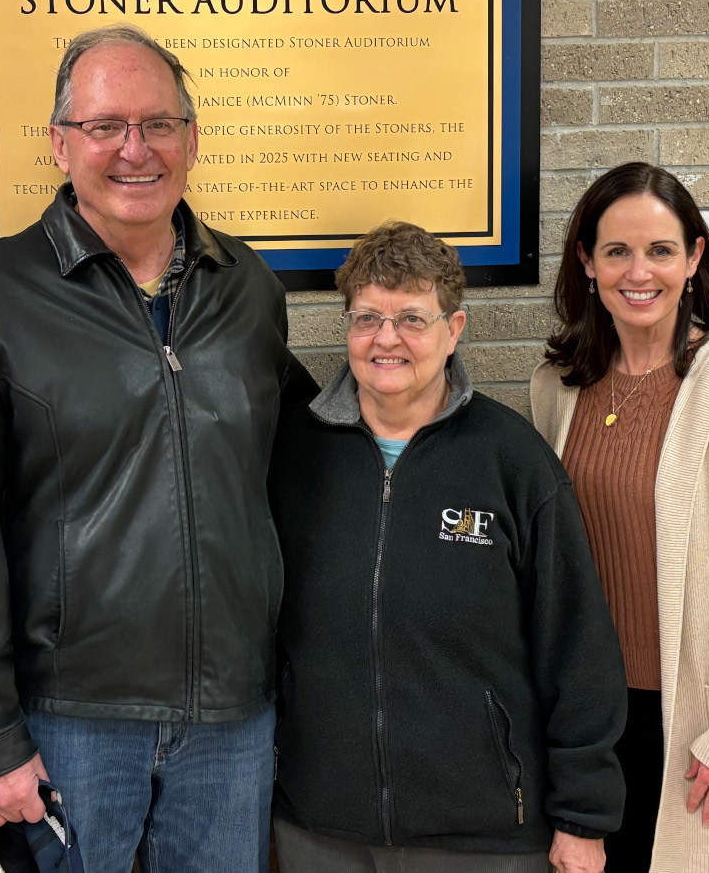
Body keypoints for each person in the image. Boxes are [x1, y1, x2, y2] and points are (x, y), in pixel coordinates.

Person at [0, 23, 309, 873]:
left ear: (192, 139)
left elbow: (293, 474)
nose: (136, 149)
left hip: (233, 720)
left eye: (159, 124)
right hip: (67, 721)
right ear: (60, 143)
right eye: (104, 126)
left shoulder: (247, 289)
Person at [269, 222, 628, 873]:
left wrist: (583, 816)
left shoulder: (512, 464)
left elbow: (578, 651)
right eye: (367, 317)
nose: (386, 339)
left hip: (484, 835)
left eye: (411, 317)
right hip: (318, 829)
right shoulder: (291, 457)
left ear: (453, 328)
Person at [529, 163, 709, 872]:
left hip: (705, 730)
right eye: (617, 251)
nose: (640, 272)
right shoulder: (556, 388)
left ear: (694, 259)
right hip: (595, 728)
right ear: (586, 263)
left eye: (661, 250)